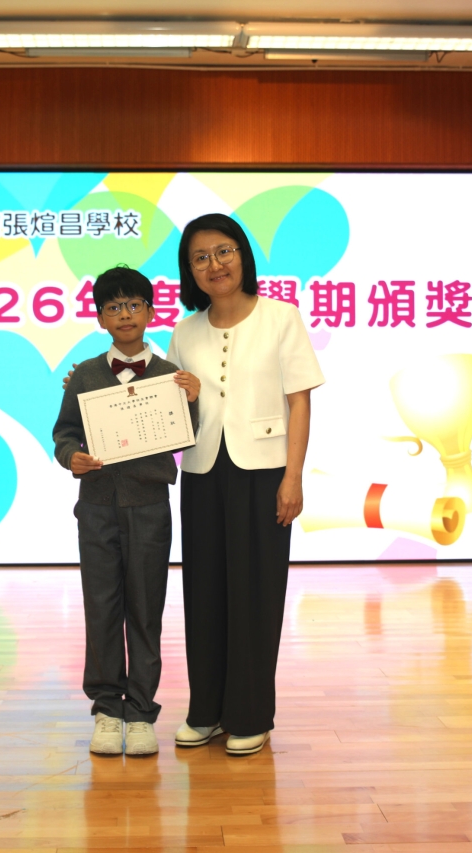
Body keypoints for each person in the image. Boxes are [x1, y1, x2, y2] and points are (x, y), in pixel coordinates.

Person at [166, 213, 324, 756]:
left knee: (256, 594)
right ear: (189, 270)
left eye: (224, 251)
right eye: (200, 257)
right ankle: (206, 711)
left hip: (264, 472)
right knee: (203, 592)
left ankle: (250, 714)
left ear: (243, 255)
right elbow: (171, 405)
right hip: (202, 470)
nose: (214, 264)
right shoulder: (184, 331)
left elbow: (300, 401)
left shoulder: (282, 317)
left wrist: (292, 476)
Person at [51, 266, 201, 756]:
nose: (125, 314)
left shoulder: (170, 376)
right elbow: (65, 432)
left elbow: (187, 435)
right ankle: (106, 709)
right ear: (100, 318)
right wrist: (70, 456)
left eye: (134, 304)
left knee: (145, 608)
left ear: (150, 312)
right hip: (96, 507)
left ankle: (140, 712)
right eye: (113, 307)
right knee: (101, 606)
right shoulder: (85, 374)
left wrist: (192, 400)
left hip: (150, 507)